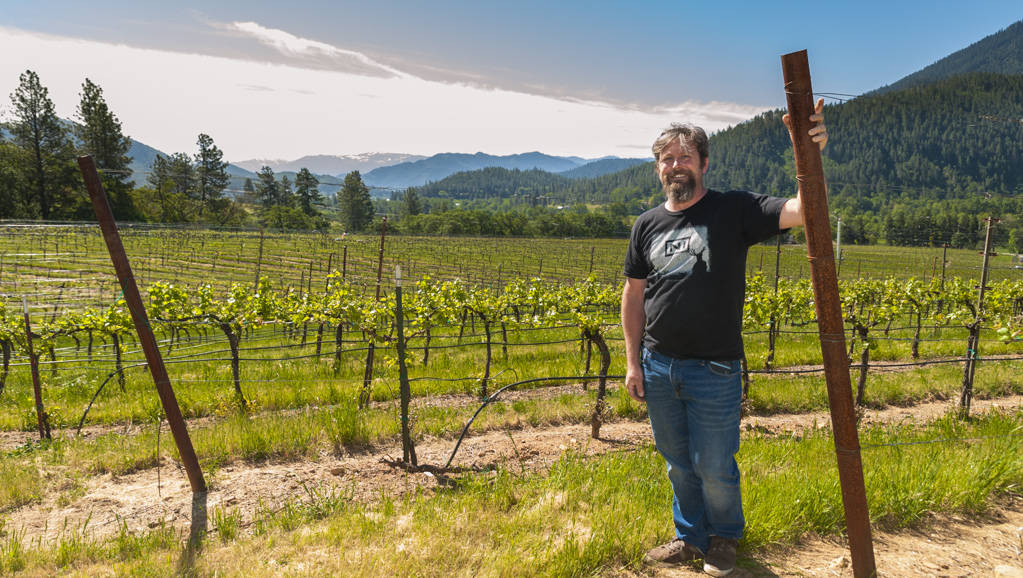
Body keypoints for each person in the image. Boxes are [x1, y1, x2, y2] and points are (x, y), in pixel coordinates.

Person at [621, 100, 827, 576]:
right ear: (658, 169)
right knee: (677, 464)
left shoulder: (734, 209)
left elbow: (803, 209)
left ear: (704, 163)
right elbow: (633, 296)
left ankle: (725, 539)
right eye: (667, 159)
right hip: (657, 364)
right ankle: (689, 538)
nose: (676, 165)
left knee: (714, 465)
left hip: (714, 368)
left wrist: (808, 150)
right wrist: (633, 362)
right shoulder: (646, 224)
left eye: (685, 156)